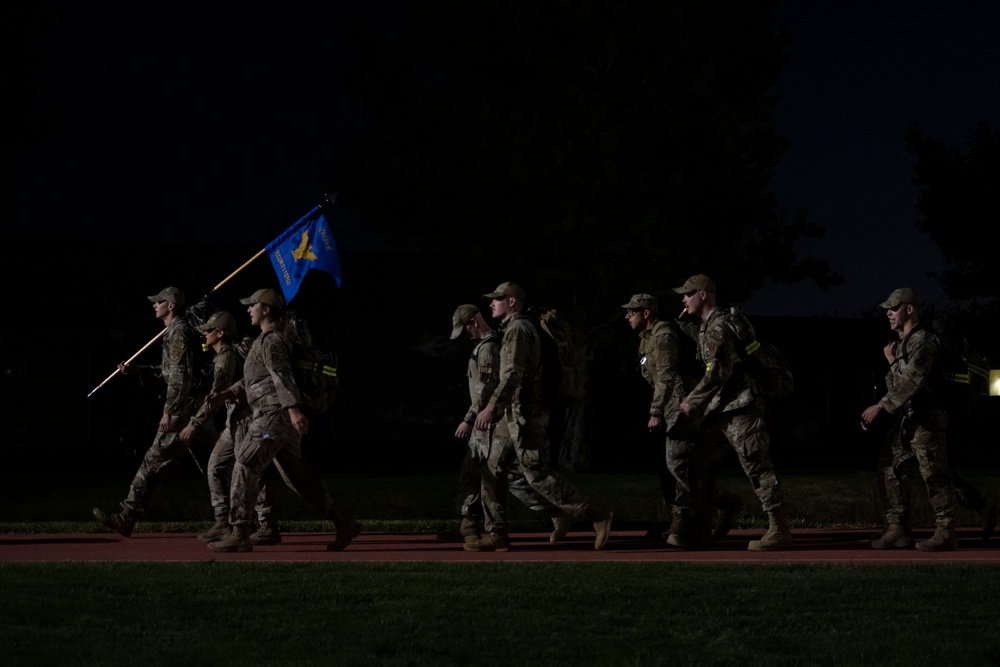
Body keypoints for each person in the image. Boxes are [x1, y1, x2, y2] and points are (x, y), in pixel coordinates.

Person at [204, 288, 361, 552]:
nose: (248, 310)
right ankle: (344, 522)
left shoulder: (272, 340)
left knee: (245, 462)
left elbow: (281, 375)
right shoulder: (266, 340)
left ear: (265, 309)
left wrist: (292, 409)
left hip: (273, 417)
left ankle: (240, 532)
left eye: (252, 305)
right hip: (280, 419)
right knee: (297, 477)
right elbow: (258, 379)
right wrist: (229, 393)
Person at [472, 282, 613, 551]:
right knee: (494, 469)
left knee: (535, 473)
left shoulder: (518, 329)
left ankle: (595, 513)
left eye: (498, 299)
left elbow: (512, 374)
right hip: (516, 412)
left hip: (528, 413)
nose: (492, 303)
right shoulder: (514, 328)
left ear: (512, 302)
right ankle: (498, 532)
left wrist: (492, 407)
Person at [674, 274, 792, 551]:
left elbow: (718, 372)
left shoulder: (718, 326)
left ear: (704, 294)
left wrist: (693, 400)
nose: (683, 298)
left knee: (758, 467)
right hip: (720, 411)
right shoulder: (707, 326)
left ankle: (779, 529)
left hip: (741, 408)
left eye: (688, 293)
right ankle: (704, 527)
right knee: (699, 464)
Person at [93, 287, 215, 536]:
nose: (154, 305)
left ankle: (127, 515)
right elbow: (168, 372)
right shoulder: (173, 331)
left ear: (171, 306)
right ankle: (250, 517)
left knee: (154, 460)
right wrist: (140, 371)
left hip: (184, 409)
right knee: (218, 464)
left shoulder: (179, 331)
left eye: (159, 301)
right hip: (194, 407)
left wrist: (169, 411)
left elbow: (180, 378)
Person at [451, 304, 573, 551]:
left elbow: (485, 391)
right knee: (481, 475)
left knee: (504, 476)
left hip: (489, 422)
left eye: (465, 329)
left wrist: (470, 417)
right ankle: (475, 527)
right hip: (486, 421)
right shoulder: (484, 346)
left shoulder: (488, 350)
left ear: (474, 322)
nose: (465, 335)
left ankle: (552, 513)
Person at [622, 293, 742, 545]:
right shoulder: (646, 339)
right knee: (679, 465)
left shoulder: (663, 336)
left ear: (647, 313)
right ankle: (712, 507)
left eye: (632, 311)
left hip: (680, 404)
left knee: (676, 462)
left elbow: (666, 376)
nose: (627, 316)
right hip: (670, 406)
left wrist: (655, 411)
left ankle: (685, 521)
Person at [861, 288, 959, 551]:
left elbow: (912, 381)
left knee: (935, 475)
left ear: (910, 309)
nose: (888, 313)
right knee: (889, 469)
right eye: (887, 310)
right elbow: (899, 383)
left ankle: (946, 531)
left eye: (894, 308)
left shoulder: (924, 341)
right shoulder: (904, 344)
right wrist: (893, 360)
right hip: (907, 420)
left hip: (926, 419)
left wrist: (880, 407)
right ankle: (898, 530)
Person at [178, 311, 277, 546]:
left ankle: (266, 525)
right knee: (216, 465)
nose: (204, 334)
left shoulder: (226, 358)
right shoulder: (222, 355)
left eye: (208, 330)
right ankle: (223, 521)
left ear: (220, 333)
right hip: (234, 418)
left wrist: (194, 424)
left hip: (244, 419)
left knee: (251, 471)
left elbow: (215, 399)